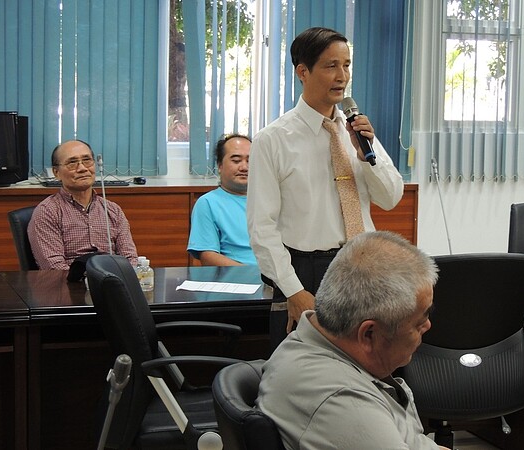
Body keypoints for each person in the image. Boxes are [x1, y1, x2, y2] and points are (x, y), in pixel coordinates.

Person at [247, 27, 404, 349]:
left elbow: (390, 198)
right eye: (331, 65)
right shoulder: (273, 139)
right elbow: (261, 226)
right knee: (305, 377)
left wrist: (366, 156)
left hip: (361, 264)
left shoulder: (355, 129)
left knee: (363, 367)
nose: (342, 76)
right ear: (302, 72)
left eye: (346, 65)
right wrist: (293, 290)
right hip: (306, 270)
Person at [256, 231, 448, 450]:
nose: (428, 326)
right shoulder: (344, 403)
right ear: (368, 335)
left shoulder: (312, 344)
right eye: (418, 321)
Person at [28, 139, 138, 270]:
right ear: (56, 173)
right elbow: (53, 268)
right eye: (72, 163)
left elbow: (130, 258)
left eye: (87, 160)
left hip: (113, 283)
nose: (82, 168)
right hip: (70, 286)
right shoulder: (48, 212)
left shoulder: (113, 210)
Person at [187, 134, 257, 266]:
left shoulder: (271, 200)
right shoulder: (208, 203)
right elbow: (208, 256)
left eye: (250, 160)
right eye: (236, 161)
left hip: (280, 279)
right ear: (220, 166)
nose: (244, 167)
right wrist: (254, 275)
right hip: (237, 279)